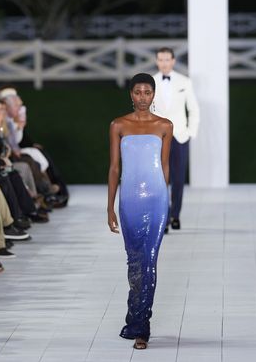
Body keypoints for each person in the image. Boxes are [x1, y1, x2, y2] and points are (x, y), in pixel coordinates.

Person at [107, 73, 173, 350]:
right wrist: (109, 206)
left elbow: (165, 166)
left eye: (147, 92)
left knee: (149, 261)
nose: (143, 97)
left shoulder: (165, 126)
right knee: (134, 263)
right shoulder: (118, 125)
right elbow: (114, 168)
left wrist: (167, 201)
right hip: (129, 200)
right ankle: (135, 316)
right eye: (138, 92)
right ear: (131, 94)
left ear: (154, 95)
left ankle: (141, 326)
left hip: (157, 200)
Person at [151, 47, 199, 231]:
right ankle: (164, 216)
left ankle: (175, 215)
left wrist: (189, 133)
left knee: (178, 179)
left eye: (167, 60)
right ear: (157, 61)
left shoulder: (184, 82)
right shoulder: (151, 82)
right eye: (160, 60)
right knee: (160, 179)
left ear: (173, 61)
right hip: (158, 139)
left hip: (179, 137)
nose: (164, 63)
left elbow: (194, 109)